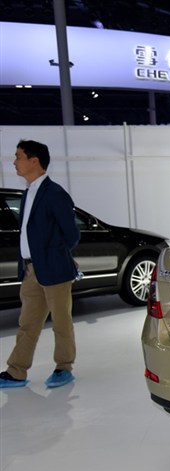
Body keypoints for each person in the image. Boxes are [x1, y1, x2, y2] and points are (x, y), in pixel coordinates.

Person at [0, 140, 80, 389]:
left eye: (18, 156)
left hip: (54, 269)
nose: (15, 162)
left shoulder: (55, 193)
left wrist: (54, 255)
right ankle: (16, 371)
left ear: (34, 161)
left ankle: (63, 367)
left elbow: (72, 234)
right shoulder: (28, 193)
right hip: (30, 270)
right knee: (27, 324)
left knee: (61, 323)